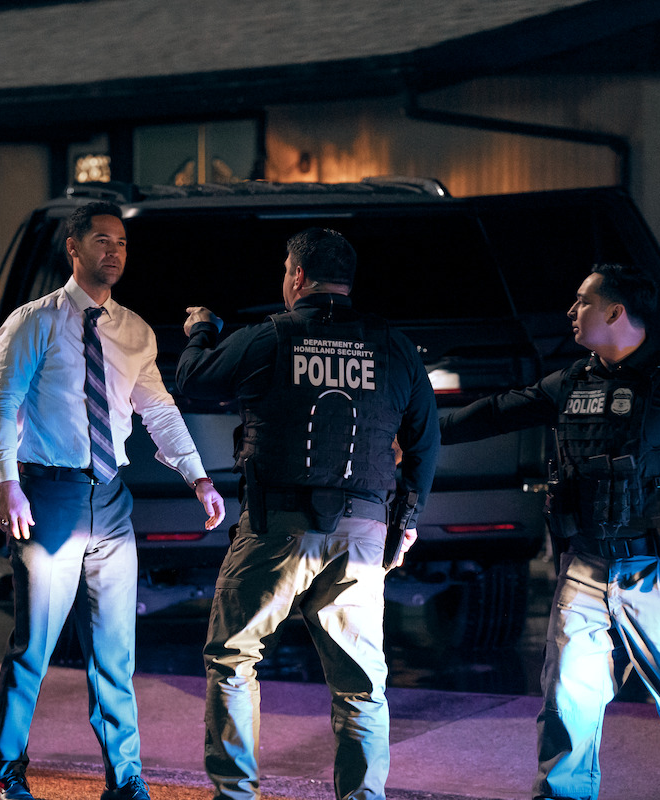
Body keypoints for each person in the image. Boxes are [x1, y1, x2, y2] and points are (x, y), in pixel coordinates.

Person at [440, 263, 660, 800]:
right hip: (585, 569)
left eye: (583, 301)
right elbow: (498, 411)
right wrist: (419, 430)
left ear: (615, 312)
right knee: (567, 703)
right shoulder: (572, 382)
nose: (572, 312)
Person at [177, 227, 439, 800]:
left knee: (233, 658)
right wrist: (408, 519)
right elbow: (425, 440)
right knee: (361, 684)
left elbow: (193, 381)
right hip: (363, 533)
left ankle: (236, 795)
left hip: (277, 527)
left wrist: (200, 330)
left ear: (296, 276)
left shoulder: (271, 337)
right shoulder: (392, 346)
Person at [0, 200, 226, 800]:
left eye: (121, 243)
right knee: (33, 649)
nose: (113, 252)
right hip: (49, 495)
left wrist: (198, 477)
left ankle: (126, 778)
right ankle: (6, 771)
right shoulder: (32, 322)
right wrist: (7, 480)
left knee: (115, 655)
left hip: (112, 500)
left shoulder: (135, 331)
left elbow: (159, 413)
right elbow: (1, 403)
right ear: (74, 249)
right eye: (101, 241)